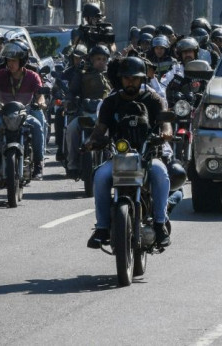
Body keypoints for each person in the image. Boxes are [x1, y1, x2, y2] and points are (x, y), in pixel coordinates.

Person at [85, 56, 172, 249]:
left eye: (135, 78)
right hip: (118, 157)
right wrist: (91, 141)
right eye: (126, 78)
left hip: (148, 156)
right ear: (120, 79)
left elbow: (165, 123)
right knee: (100, 176)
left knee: (161, 173)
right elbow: (100, 129)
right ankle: (102, 228)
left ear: (142, 79)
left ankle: (159, 224)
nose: (130, 82)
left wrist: (165, 133)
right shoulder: (110, 102)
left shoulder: (153, 99)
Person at [0, 42, 47, 180]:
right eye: (8, 60)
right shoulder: (0, 74)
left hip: (24, 114)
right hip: (3, 113)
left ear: (22, 61)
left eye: (14, 61)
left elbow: (39, 95)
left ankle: (38, 165)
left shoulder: (32, 76)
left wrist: (41, 103)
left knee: (37, 126)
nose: (10, 64)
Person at [64, 45, 113, 178]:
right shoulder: (82, 73)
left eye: (104, 59)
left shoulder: (113, 74)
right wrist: (69, 99)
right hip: (85, 112)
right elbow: (73, 91)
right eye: (98, 59)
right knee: (71, 129)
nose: (101, 62)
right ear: (91, 59)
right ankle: (72, 164)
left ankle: (116, 160)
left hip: (106, 113)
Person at [54, 45, 87, 161]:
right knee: (59, 113)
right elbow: (60, 88)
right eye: (76, 58)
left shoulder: (90, 71)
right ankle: (60, 146)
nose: (79, 60)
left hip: (88, 105)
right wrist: (63, 99)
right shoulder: (67, 73)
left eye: (82, 57)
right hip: (71, 103)